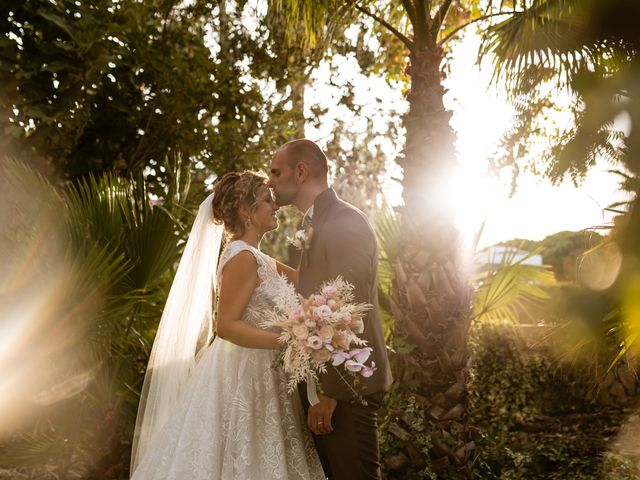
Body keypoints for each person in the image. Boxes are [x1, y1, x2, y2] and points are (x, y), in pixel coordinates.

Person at [130, 171, 325, 480]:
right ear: (245, 211)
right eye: (266, 200)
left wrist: (317, 237)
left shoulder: (260, 258)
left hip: (266, 373)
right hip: (245, 375)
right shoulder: (241, 257)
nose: (275, 206)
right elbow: (227, 326)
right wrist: (288, 342)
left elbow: (308, 282)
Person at [268, 139, 393, 480]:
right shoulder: (314, 224)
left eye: (276, 172)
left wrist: (330, 394)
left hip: (348, 391)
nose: (270, 181)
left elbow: (349, 312)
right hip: (326, 388)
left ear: (301, 171)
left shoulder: (344, 221)